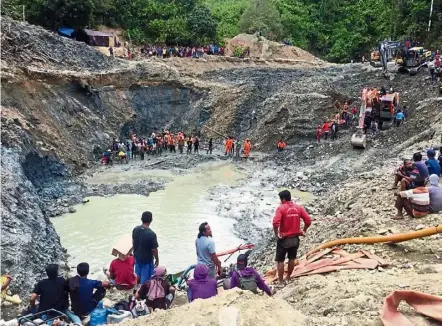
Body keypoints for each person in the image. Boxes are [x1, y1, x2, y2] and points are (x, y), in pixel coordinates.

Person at [272, 190, 312, 286]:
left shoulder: (281, 208)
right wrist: (304, 230)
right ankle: (288, 277)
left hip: (284, 239)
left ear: (283, 199)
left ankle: (281, 282)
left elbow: (275, 222)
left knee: (280, 260)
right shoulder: (298, 208)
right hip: (295, 238)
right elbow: (308, 220)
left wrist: (276, 234)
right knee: (291, 259)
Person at [132, 211, 159, 284]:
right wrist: (157, 259)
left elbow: (133, 242)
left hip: (137, 256)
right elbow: (154, 250)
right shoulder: (151, 234)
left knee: (138, 274)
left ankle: (136, 288)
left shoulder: (135, 229)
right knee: (145, 279)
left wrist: (135, 253)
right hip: (147, 260)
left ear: (141, 219)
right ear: (151, 220)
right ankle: (141, 293)